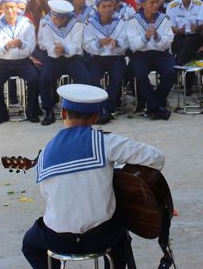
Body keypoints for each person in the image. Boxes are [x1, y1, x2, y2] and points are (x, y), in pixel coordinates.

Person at [22, 84, 165, 269]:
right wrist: (119, 176)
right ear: (96, 117)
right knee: (121, 233)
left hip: (58, 240)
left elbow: (49, 196)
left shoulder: (46, 152)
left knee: (30, 245)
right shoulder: (106, 141)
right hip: (101, 237)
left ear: (63, 113)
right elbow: (157, 158)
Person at [0, 0, 42, 125]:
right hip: (3, 63)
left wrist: (22, 45)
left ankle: (32, 111)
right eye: (6, 7)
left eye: (12, 7)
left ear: (17, 8)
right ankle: (2, 113)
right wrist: (5, 47)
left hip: (22, 62)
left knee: (35, 79)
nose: (10, 10)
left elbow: (31, 47)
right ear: (3, 8)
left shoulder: (26, 24)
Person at [38, 0, 91, 125]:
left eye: (57, 19)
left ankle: (81, 109)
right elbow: (47, 44)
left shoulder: (77, 24)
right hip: (55, 59)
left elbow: (77, 44)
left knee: (85, 78)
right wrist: (55, 50)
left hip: (72, 58)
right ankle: (49, 111)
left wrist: (65, 49)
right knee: (45, 78)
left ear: (65, 18)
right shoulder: (47, 24)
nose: (54, 21)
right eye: (53, 17)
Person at [127, 0, 176, 120]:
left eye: (156, 2)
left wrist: (157, 37)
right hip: (141, 54)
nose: (156, 5)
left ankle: (153, 106)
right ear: (142, 4)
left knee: (170, 73)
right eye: (152, 3)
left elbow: (169, 40)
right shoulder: (133, 21)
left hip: (161, 53)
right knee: (140, 74)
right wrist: (145, 37)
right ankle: (158, 107)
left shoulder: (163, 19)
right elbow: (133, 45)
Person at [84, 0, 129, 125]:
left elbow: (127, 41)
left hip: (116, 57)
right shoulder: (90, 22)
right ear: (98, 8)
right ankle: (99, 107)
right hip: (98, 58)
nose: (108, 9)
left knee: (117, 77)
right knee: (93, 77)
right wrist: (98, 43)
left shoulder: (121, 20)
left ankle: (108, 108)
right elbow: (86, 44)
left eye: (110, 6)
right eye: (104, 6)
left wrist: (118, 43)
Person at [167, 0, 203, 67]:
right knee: (184, 44)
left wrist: (197, 28)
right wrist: (179, 30)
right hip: (179, 36)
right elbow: (171, 27)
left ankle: (178, 66)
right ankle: (187, 71)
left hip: (195, 36)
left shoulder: (200, 4)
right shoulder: (172, 6)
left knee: (190, 40)